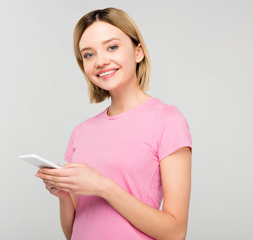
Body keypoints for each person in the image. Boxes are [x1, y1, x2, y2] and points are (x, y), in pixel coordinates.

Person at [36, 7, 192, 240]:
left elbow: (175, 232)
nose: (100, 61)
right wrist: (64, 195)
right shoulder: (81, 132)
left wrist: (103, 187)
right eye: (89, 54)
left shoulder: (167, 121)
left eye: (112, 47)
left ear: (138, 52)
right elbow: (74, 233)